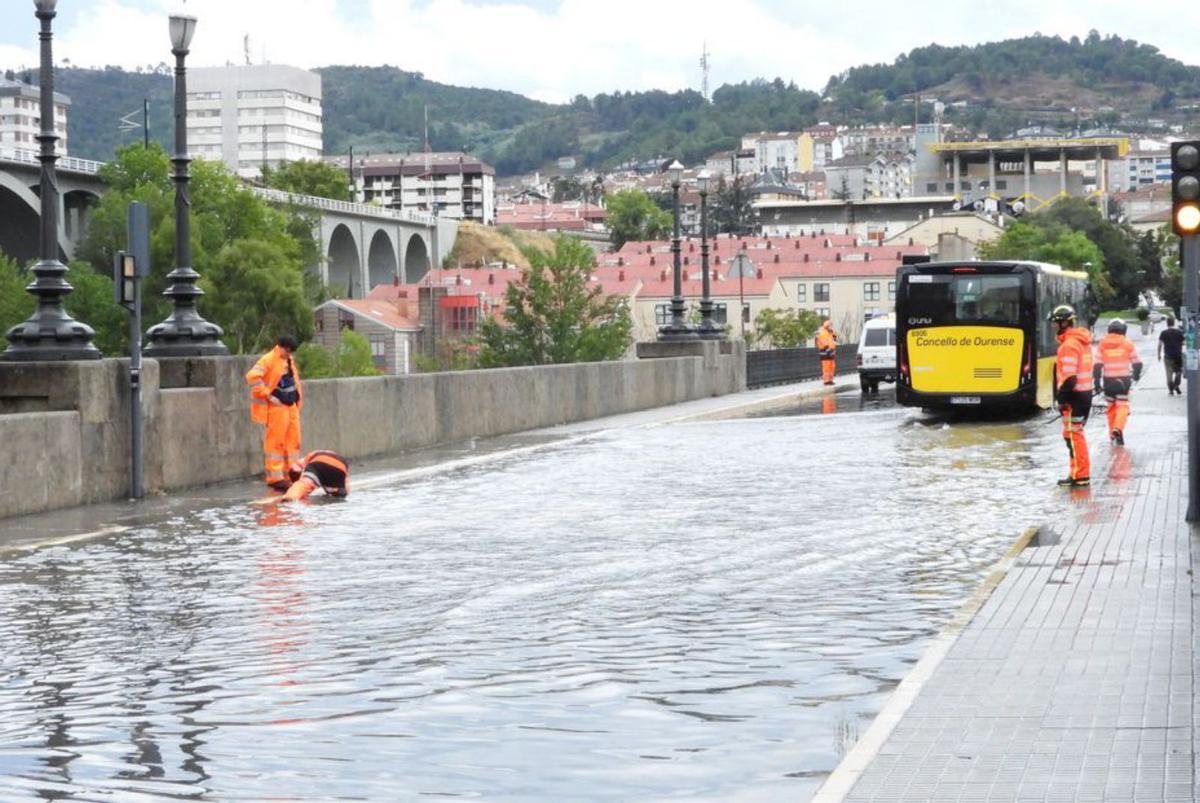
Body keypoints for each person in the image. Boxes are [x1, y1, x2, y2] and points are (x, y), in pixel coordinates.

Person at [246, 335, 303, 491]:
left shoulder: (288, 359)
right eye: (288, 351)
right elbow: (252, 377)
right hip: (277, 407)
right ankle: (275, 477)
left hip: (290, 405)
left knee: (293, 440)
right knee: (276, 442)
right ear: (281, 347)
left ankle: (291, 472)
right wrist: (268, 395)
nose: (289, 354)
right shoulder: (268, 359)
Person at [1051, 305, 1093, 488]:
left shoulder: (1068, 345)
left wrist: (1061, 399)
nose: (1052, 326)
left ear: (1064, 322)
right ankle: (1076, 472)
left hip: (1075, 396)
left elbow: (1069, 377)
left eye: (1055, 322)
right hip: (1084, 394)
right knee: (1072, 434)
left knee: (1074, 436)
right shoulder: (1081, 342)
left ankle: (1080, 475)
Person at [1093, 318, 1142, 446]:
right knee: (1123, 406)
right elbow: (1138, 363)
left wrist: (1097, 383)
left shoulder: (1102, 344)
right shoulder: (1127, 343)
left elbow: (1097, 365)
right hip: (1123, 381)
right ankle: (1118, 429)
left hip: (1108, 381)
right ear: (1123, 330)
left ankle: (1112, 435)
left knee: (1111, 408)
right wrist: (1136, 376)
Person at [282, 450, 350, 501]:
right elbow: (346, 481)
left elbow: (295, 469)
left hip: (319, 462)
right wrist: (345, 491)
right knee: (337, 495)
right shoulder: (318, 452)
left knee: (305, 484)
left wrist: (295, 483)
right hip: (341, 466)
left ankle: (290, 497)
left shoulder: (305, 461)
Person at [1158, 317, 1184, 396]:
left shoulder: (1163, 333)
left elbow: (1160, 344)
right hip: (1178, 355)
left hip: (1168, 356)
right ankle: (1176, 385)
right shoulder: (1179, 332)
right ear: (1173, 323)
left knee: (1169, 374)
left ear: (1167, 323)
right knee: (1178, 372)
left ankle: (1171, 390)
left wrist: (1158, 354)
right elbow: (1183, 342)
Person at [815, 320, 838, 385]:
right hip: (825, 353)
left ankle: (830, 380)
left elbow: (833, 340)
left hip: (830, 352)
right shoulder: (823, 333)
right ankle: (826, 381)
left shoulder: (829, 333)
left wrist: (833, 334)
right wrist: (829, 351)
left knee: (832, 366)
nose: (832, 327)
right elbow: (824, 343)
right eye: (830, 326)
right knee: (826, 367)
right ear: (827, 326)